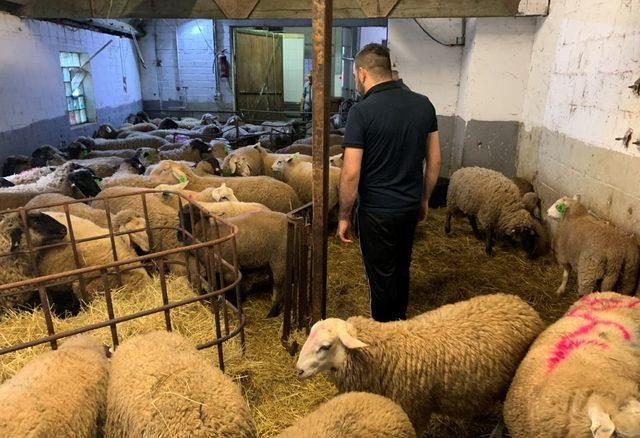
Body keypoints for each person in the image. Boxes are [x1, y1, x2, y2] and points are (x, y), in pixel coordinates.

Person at [337, 43, 441, 322]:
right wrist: (424, 199)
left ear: (361, 73)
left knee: (380, 278)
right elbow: (435, 162)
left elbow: (350, 173)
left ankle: (386, 339)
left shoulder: (361, 112)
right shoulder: (423, 104)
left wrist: (344, 215)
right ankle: (401, 325)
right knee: (401, 270)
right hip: (408, 208)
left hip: (377, 212)